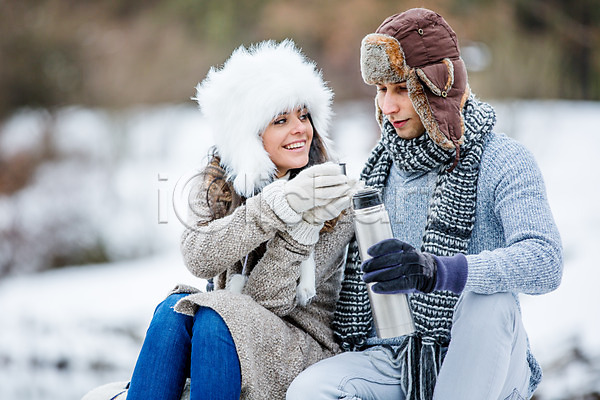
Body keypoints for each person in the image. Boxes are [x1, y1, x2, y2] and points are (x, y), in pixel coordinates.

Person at [287, 8, 562, 400]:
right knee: (309, 390)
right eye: (381, 90)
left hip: (487, 356)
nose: (387, 107)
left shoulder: (504, 159)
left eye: (401, 90)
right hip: (393, 356)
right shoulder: (378, 169)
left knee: (490, 299)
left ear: (437, 88)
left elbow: (545, 260)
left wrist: (439, 272)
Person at [82, 40, 357, 400]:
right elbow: (198, 256)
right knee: (173, 311)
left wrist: (302, 226)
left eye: (304, 116)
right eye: (280, 120)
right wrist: (276, 205)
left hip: (300, 348)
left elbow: (270, 302)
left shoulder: (332, 197)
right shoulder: (220, 184)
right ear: (248, 136)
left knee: (217, 314)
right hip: (226, 332)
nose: (300, 130)